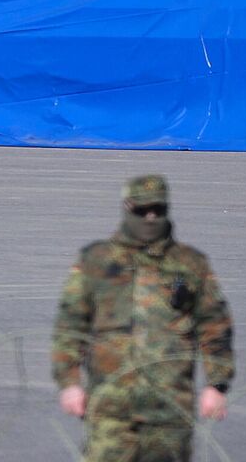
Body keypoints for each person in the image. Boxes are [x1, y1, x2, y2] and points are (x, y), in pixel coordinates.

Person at [52, 174, 235, 462]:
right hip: (111, 406)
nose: (150, 218)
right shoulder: (96, 261)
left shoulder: (189, 264)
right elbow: (71, 324)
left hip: (169, 407)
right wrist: (69, 382)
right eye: (142, 210)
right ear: (127, 208)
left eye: (158, 211)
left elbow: (214, 324)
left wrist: (217, 384)